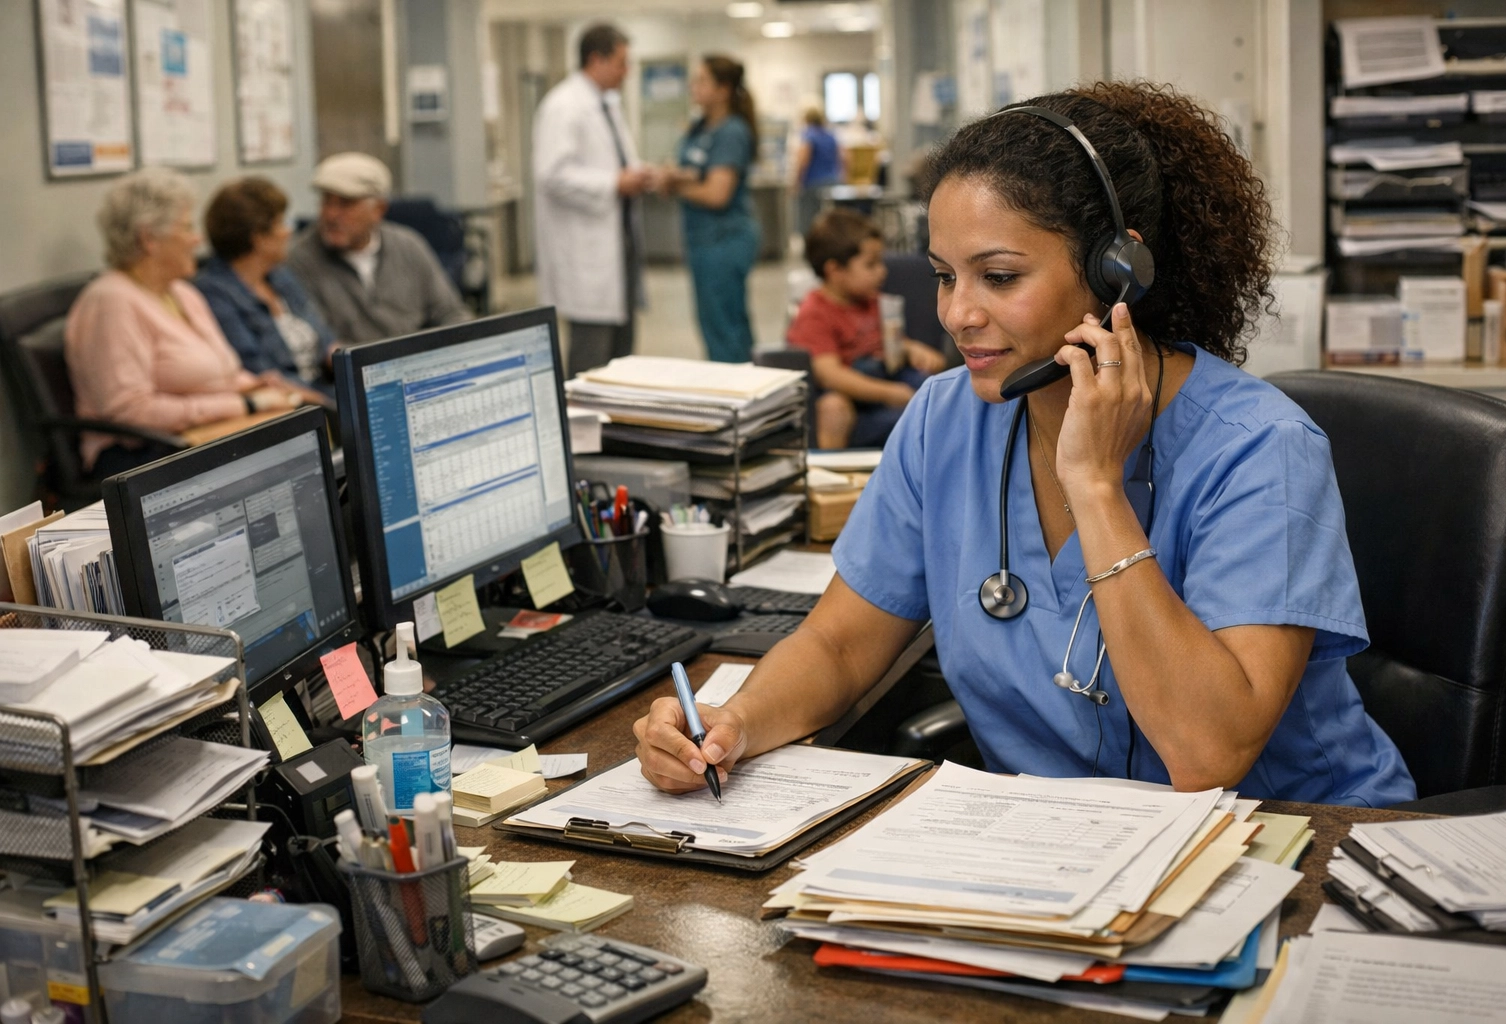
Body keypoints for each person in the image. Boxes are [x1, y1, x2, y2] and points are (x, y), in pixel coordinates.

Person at [633, 82, 1416, 807]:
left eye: (1000, 277)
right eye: (945, 275)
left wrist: (1096, 487)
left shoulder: (1260, 449)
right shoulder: (945, 419)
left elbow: (1207, 755)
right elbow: (839, 645)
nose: (957, 314)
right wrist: (734, 723)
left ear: (1117, 272)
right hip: (1058, 851)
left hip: (1287, 837)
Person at [65, 168, 311, 478]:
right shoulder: (110, 301)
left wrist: (255, 385)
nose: (197, 239)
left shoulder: (182, 291)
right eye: (186, 227)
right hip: (143, 456)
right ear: (149, 239)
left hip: (204, 437)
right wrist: (244, 405)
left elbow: (223, 371)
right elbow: (130, 411)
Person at [532, 23, 649, 378]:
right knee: (590, 363)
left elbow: (616, 162)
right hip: (587, 258)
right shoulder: (563, 106)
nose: (627, 72)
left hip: (619, 251)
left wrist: (642, 175)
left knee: (621, 364)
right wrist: (614, 183)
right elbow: (552, 175)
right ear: (596, 59)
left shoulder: (606, 105)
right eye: (621, 62)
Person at [787, 209, 946, 448]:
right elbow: (831, 375)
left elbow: (890, 342)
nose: (882, 271)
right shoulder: (814, 313)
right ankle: (832, 466)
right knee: (833, 408)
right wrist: (889, 393)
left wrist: (911, 349)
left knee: (939, 389)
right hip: (851, 399)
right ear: (835, 271)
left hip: (884, 379)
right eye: (871, 265)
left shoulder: (870, 300)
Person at [286, 152, 470, 346]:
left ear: (378, 210)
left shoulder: (408, 246)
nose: (331, 215)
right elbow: (315, 343)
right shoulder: (299, 259)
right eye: (326, 202)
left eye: (345, 204)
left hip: (417, 358)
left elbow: (451, 313)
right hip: (349, 364)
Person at [194, 177, 337, 394]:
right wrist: (330, 405)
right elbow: (258, 371)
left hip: (325, 388)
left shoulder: (280, 276)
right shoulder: (214, 293)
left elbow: (325, 340)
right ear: (258, 237)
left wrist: (357, 368)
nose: (288, 231)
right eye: (280, 223)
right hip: (290, 402)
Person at [660, 56, 760, 363]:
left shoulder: (731, 131)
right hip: (702, 241)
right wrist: (675, 177)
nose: (694, 86)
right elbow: (697, 173)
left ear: (723, 89)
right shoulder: (700, 128)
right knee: (712, 323)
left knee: (726, 328)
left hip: (724, 241)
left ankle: (738, 384)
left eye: (702, 80)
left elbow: (717, 194)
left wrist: (676, 186)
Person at [793, 107, 841, 238]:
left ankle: (811, 244)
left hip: (813, 183)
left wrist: (796, 181)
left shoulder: (808, 135)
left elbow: (803, 160)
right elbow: (843, 158)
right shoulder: (830, 136)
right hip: (833, 181)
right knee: (829, 218)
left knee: (808, 219)